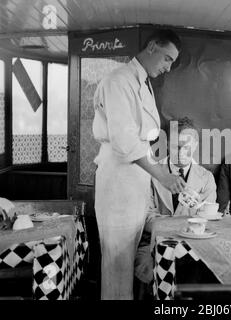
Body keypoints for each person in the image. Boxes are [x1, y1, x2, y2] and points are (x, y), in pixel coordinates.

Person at [92, 29, 186, 300]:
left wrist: (168, 171)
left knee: (127, 261)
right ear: (152, 46)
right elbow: (124, 142)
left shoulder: (142, 84)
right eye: (167, 58)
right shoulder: (119, 80)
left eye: (172, 62)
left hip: (135, 182)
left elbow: (150, 138)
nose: (168, 67)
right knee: (117, 265)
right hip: (118, 181)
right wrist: (161, 175)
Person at [134, 117, 217, 288]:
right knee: (155, 271)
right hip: (152, 246)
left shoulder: (206, 178)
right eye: (175, 146)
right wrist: (184, 225)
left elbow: (207, 221)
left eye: (185, 147)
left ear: (194, 146)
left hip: (194, 249)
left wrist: (170, 223)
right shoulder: (150, 174)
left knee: (196, 272)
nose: (180, 152)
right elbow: (145, 219)